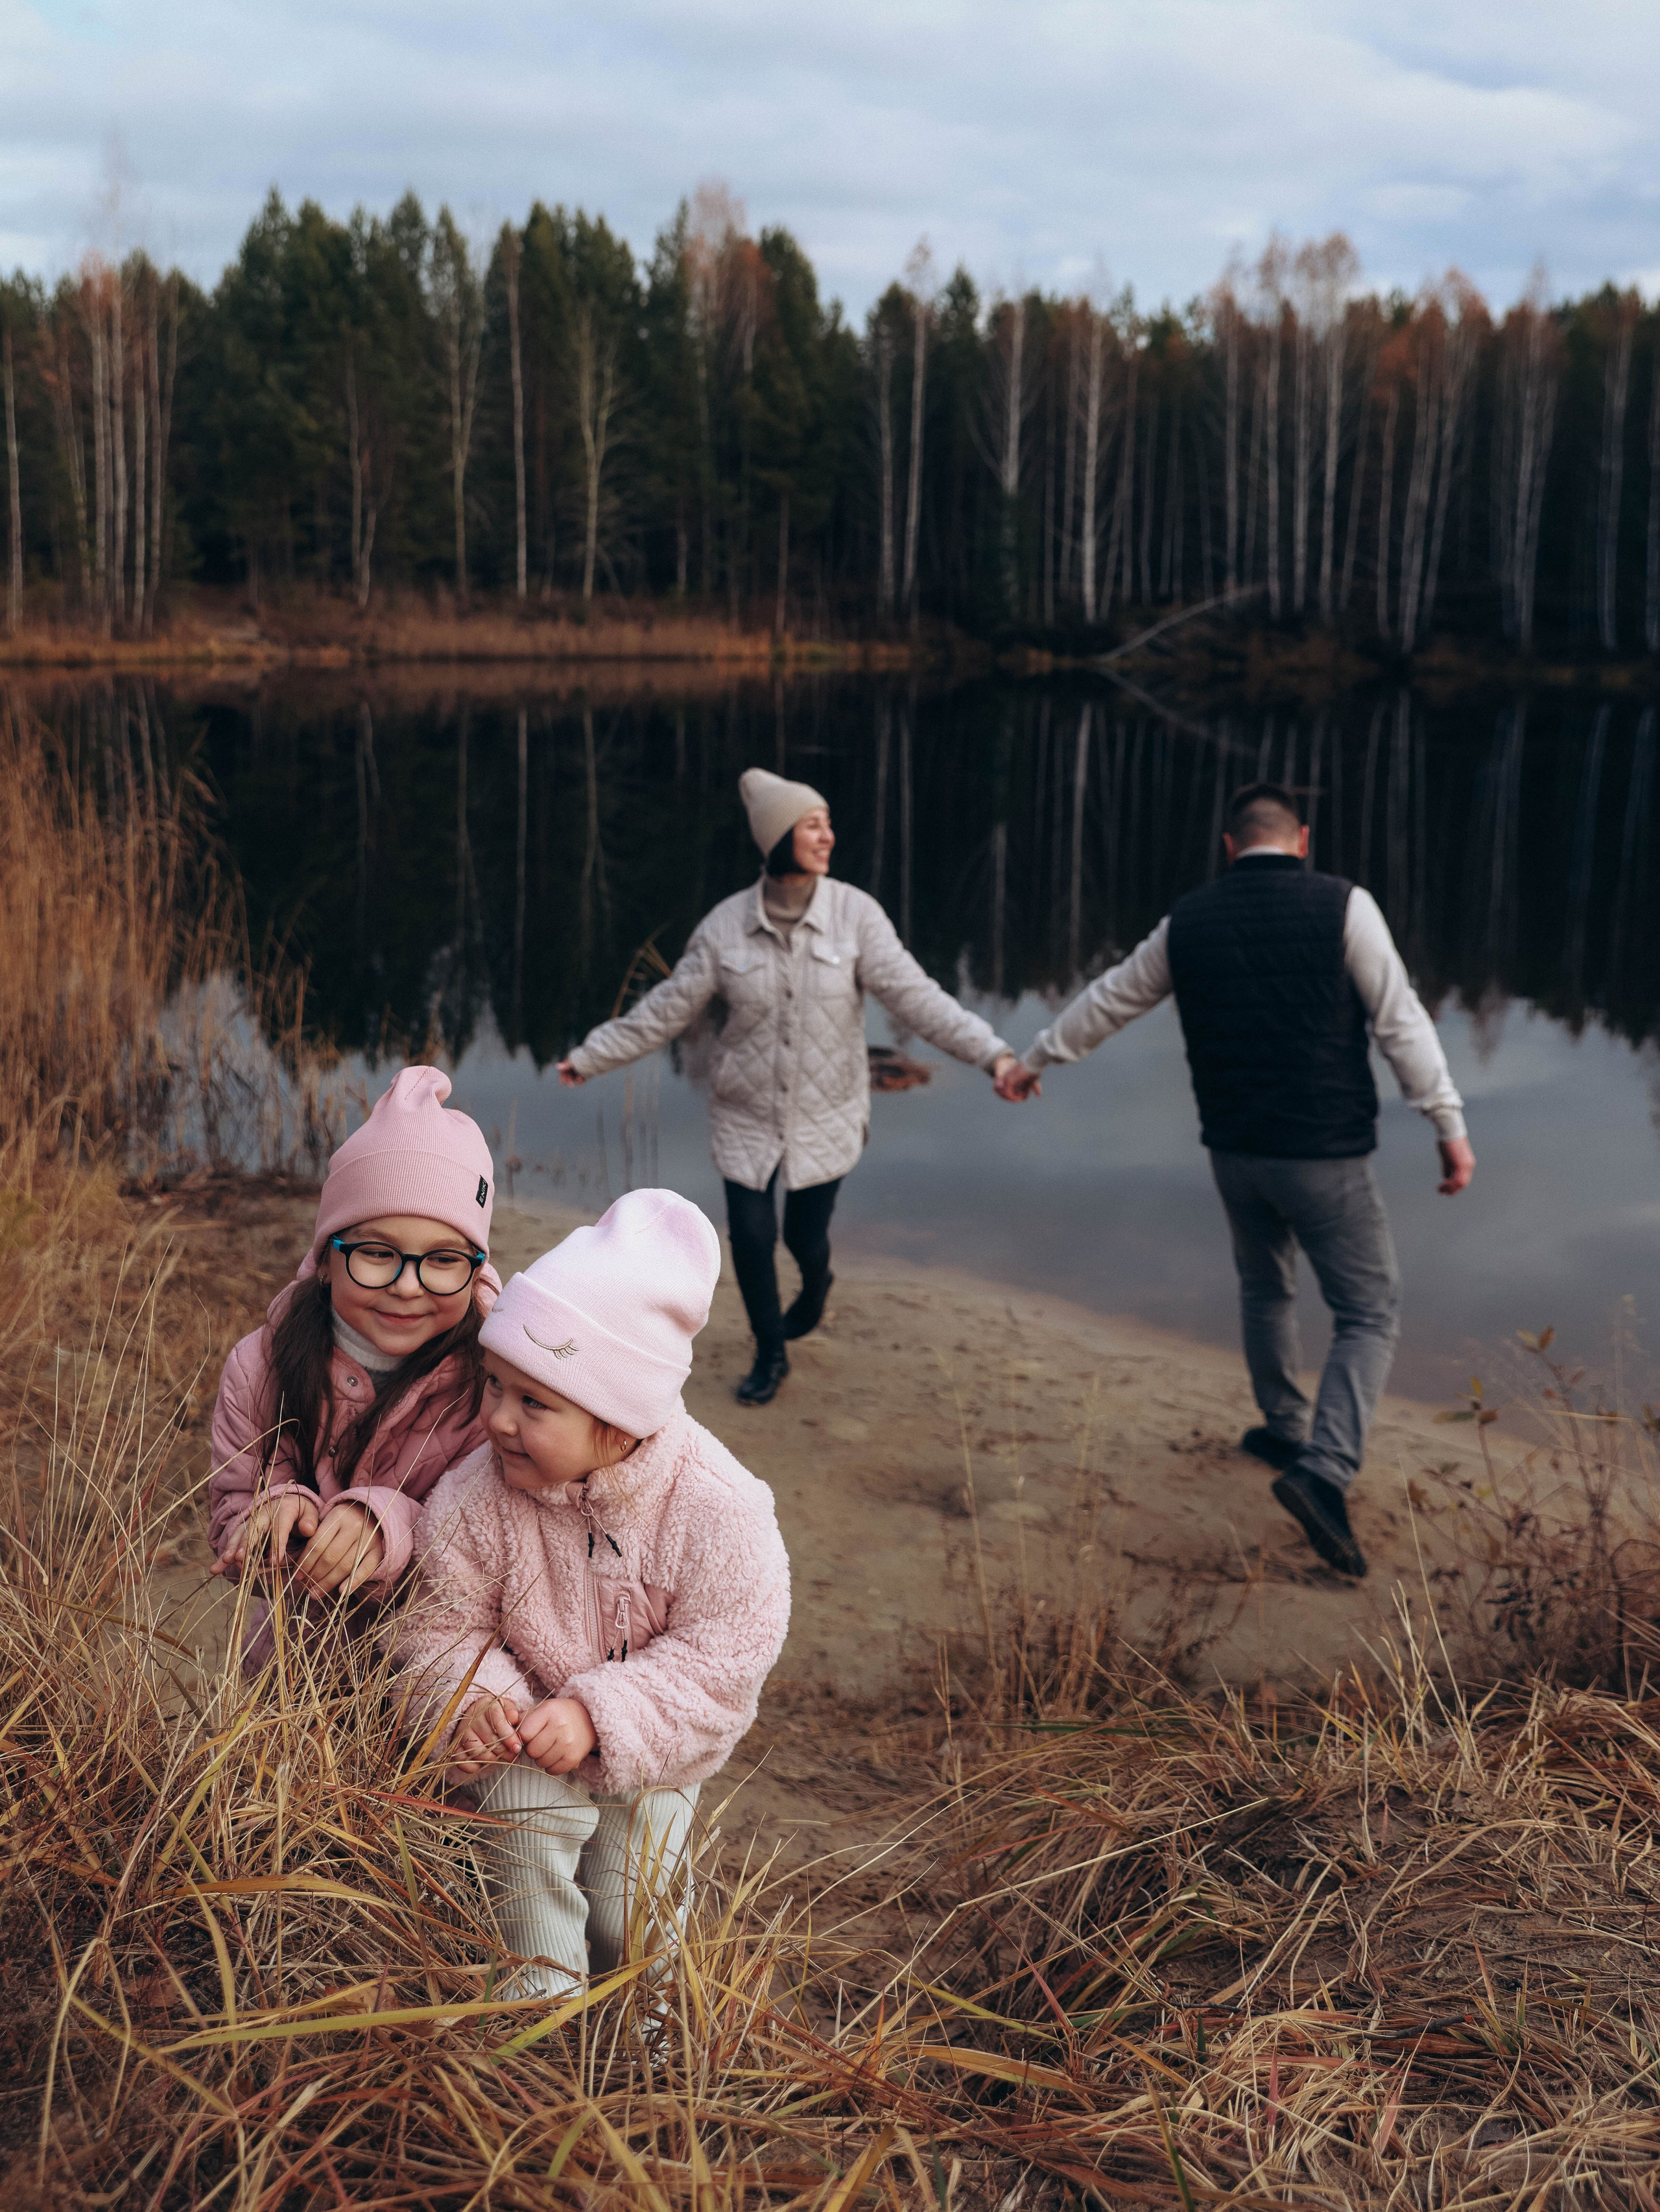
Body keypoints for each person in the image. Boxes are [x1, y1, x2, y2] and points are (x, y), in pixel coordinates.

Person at [996, 781, 1475, 1580]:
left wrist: (1034, 1059)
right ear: (1303, 840)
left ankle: (1284, 1429)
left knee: (1265, 1288)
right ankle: (1324, 1470)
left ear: (1228, 847)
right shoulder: (1344, 906)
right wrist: (1447, 1125)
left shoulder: (1188, 920)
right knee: (1368, 1312)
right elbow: (1401, 1022)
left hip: (1234, 1154)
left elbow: (1110, 999)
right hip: (1323, 1155)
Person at [391, 1189, 790, 1999]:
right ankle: (538, 2016)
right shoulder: (474, 1497)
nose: (498, 1421)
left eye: (533, 1403)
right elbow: (439, 1626)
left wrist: (597, 1716)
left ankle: (645, 2039)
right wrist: (476, 1701)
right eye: (495, 1386)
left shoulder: (719, 1509)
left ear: (619, 1420)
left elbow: (724, 1663)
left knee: (628, 1912)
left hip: (652, 1750)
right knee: (527, 1846)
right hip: (520, 1737)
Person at [557, 767, 1020, 1407]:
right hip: (744, 1115)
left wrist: (994, 1055)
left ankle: (817, 1280)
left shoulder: (856, 916)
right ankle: (769, 1352)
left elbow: (918, 999)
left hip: (827, 1113)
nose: (828, 836)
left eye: (828, 823)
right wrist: (590, 1056)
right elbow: (665, 1010)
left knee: (804, 1236)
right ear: (777, 837)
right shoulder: (724, 928)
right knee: (751, 1238)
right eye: (812, 825)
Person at [208, 1065, 501, 1668]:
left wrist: (383, 1527)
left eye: (443, 1259)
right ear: (325, 1257)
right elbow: (231, 1524)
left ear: (475, 1270)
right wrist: (276, 1521)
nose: (407, 1286)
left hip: (438, 1681)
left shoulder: (495, 1383)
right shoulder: (259, 1368)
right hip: (291, 1673)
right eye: (376, 1252)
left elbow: (496, 1552)